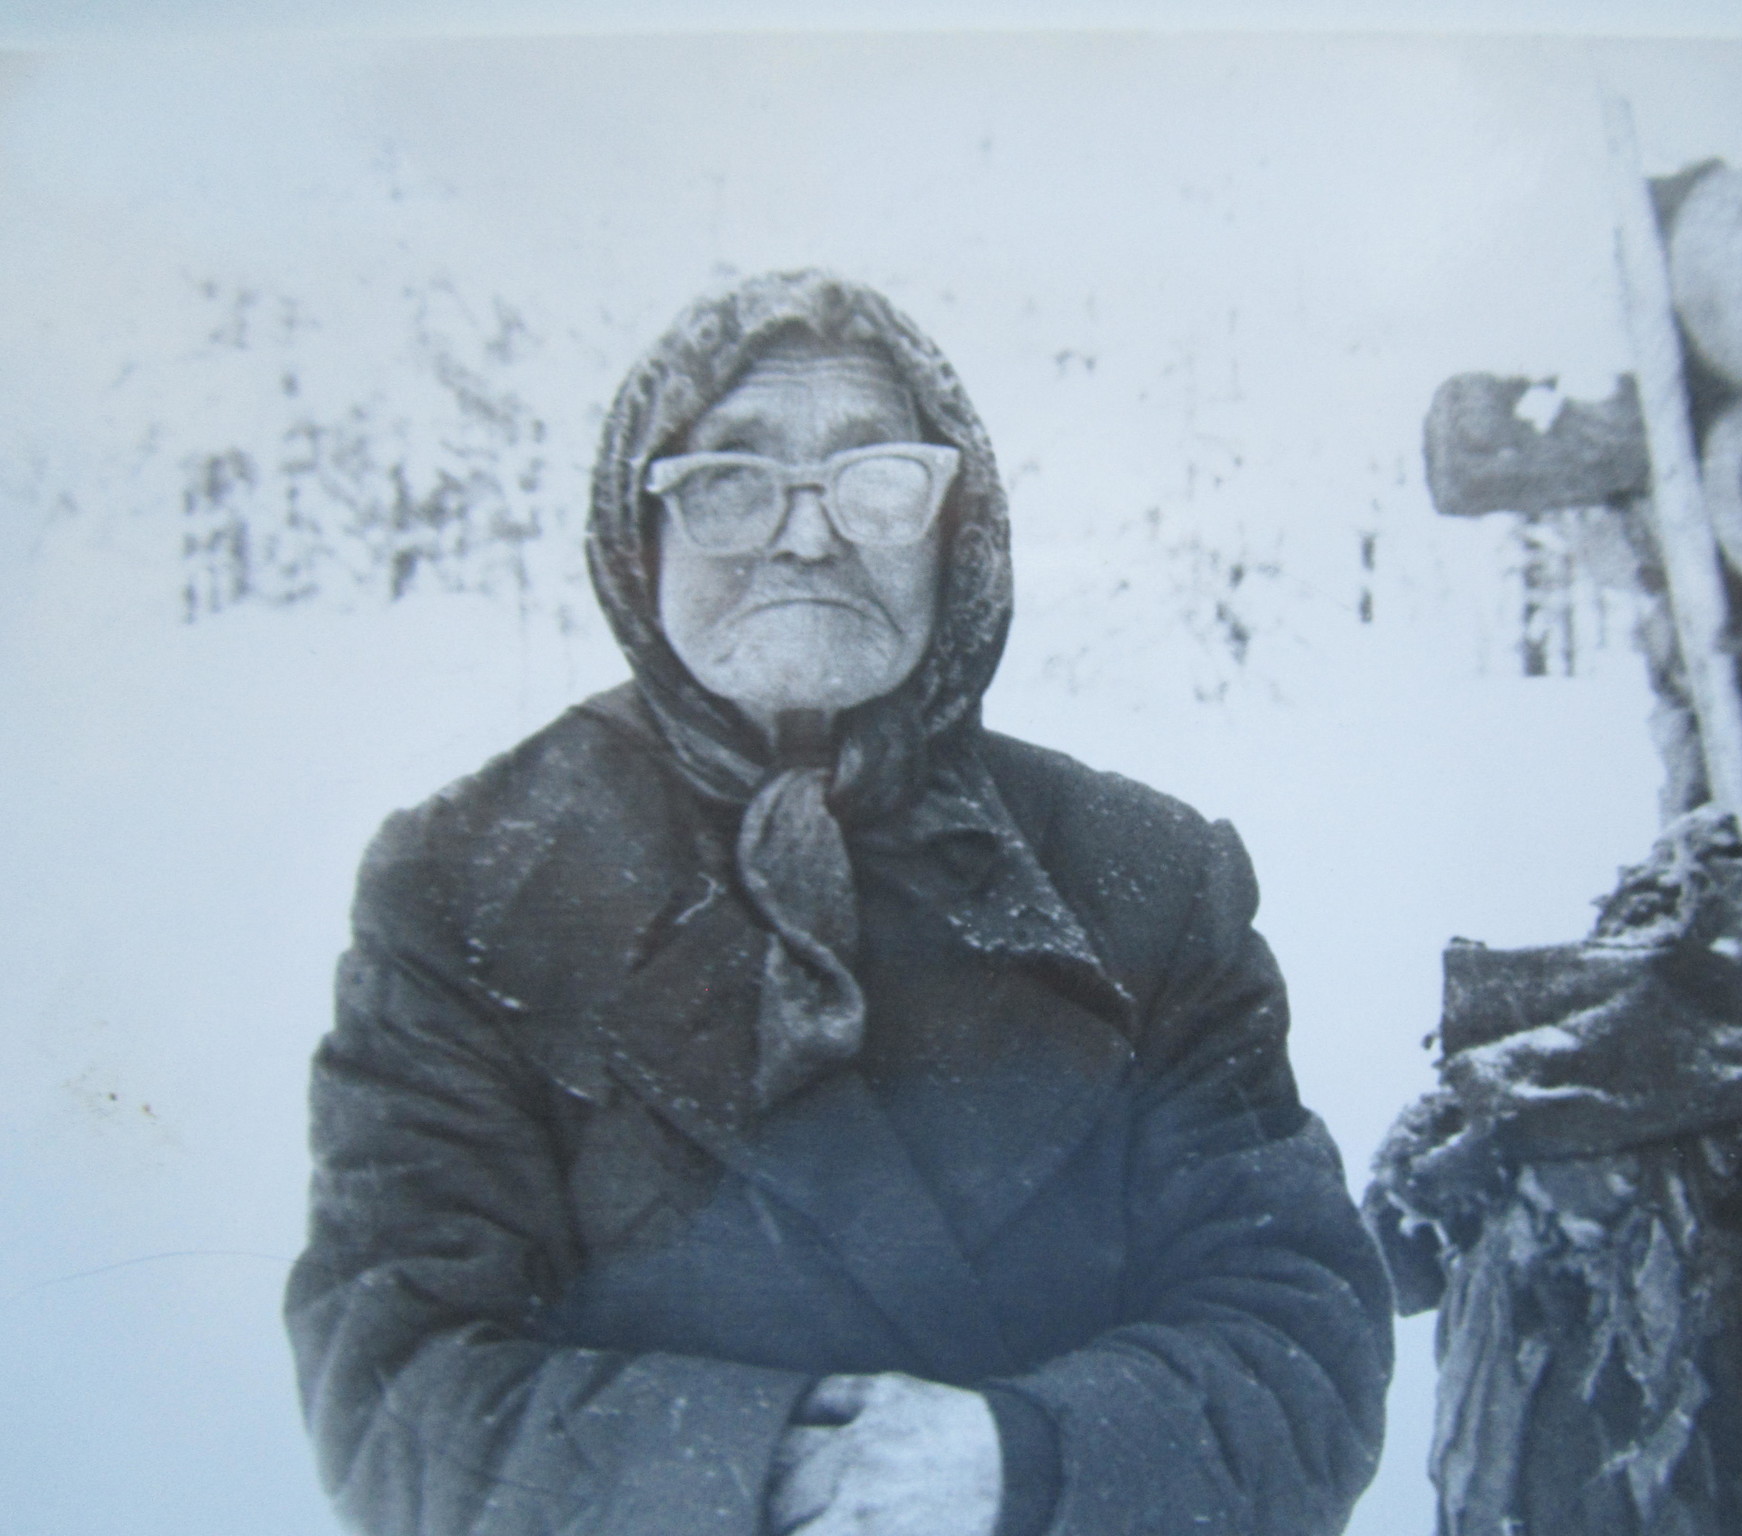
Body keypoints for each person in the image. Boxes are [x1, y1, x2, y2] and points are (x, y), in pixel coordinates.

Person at [285, 270, 1393, 1536]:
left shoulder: (1142, 875)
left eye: (875, 480)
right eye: (730, 481)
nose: (805, 536)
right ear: (635, 543)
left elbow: (1298, 1339)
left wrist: (1016, 1460)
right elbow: (395, 1389)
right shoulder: (471, 881)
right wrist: (762, 1472)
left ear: (952, 536)